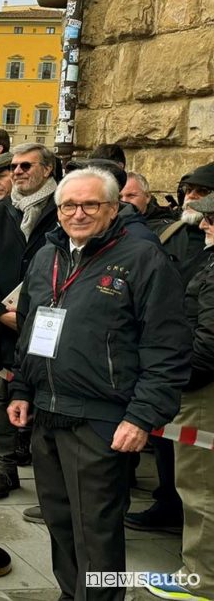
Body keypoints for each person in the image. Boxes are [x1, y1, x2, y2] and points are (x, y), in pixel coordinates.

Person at [9, 167, 190, 601]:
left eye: (91, 204)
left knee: (98, 531)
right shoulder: (46, 256)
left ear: (113, 208)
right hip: (46, 414)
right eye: (69, 205)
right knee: (60, 522)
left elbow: (166, 346)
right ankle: (71, 594)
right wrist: (21, 389)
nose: (78, 213)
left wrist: (142, 416)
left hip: (100, 421)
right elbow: (31, 327)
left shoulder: (141, 258)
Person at [0, 142, 57, 500]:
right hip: (6, 322)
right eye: (15, 167)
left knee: (48, 400)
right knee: (2, 396)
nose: (18, 172)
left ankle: (50, 481)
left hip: (51, 323)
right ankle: (5, 469)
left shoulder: (63, 208)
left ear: (48, 169)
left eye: (24, 166)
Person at [144, 193, 214, 601]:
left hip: (202, 393)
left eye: (212, 219)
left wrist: (174, 377)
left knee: (200, 486)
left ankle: (201, 578)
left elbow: (207, 345)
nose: (204, 226)